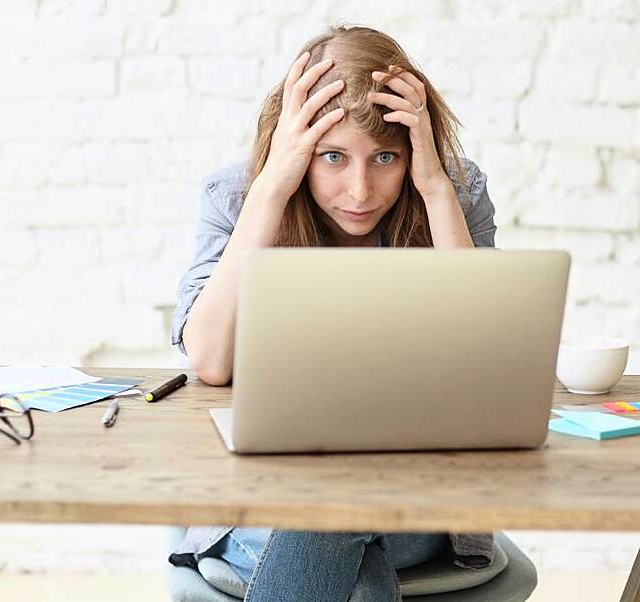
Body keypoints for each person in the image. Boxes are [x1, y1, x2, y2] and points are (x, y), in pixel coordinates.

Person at [168, 25, 498, 601]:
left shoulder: (455, 194)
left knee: (339, 517)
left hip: (411, 503)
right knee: (354, 565)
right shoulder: (235, 195)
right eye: (333, 157)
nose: (360, 189)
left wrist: (435, 188)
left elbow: (486, 361)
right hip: (266, 500)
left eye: (386, 157)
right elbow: (212, 361)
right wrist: (273, 184)